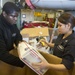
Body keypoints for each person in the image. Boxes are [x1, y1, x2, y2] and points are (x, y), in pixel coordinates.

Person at [0, 2, 25, 67]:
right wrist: (24, 62)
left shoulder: (12, 23)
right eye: (13, 16)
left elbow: (17, 35)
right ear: (4, 14)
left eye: (17, 16)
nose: (16, 19)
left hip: (8, 52)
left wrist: (19, 44)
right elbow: (2, 54)